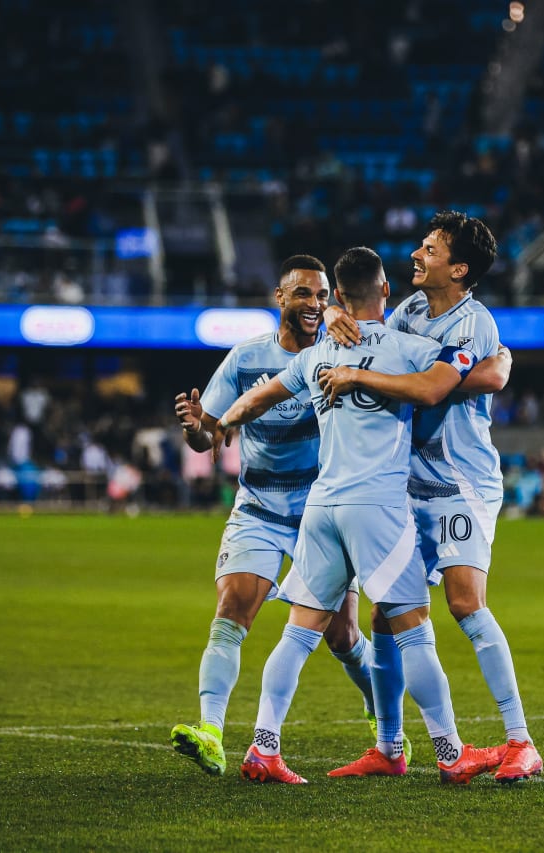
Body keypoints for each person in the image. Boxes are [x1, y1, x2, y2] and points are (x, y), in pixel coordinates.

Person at [215, 246, 505, 784]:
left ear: (338, 299)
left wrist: (221, 424)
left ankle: (263, 748)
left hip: (321, 506)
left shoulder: (315, 356)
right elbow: (467, 372)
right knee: (415, 632)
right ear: (386, 293)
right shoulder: (412, 348)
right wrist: (503, 359)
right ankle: (450, 753)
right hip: (378, 508)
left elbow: (257, 399)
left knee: (298, 632)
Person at [321, 211, 542, 782]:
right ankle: (390, 746)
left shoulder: (474, 324)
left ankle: (520, 740)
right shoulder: (414, 310)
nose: (416, 254)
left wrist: (359, 378)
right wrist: (332, 312)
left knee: (466, 603)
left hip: (459, 484)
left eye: (430, 248)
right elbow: (379, 341)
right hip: (406, 481)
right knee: (388, 611)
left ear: (459, 268)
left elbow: (431, 386)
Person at [168, 255, 392, 776]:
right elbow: (212, 433)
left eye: (321, 295)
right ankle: (211, 730)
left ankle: (379, 709)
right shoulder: (246, 359)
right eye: (303, 294)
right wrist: (194, 428)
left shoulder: (341, 353)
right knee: (232, 609)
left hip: (321, 514)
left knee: (343, 637)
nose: (314, 304)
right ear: (280, 298)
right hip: (261, 508)